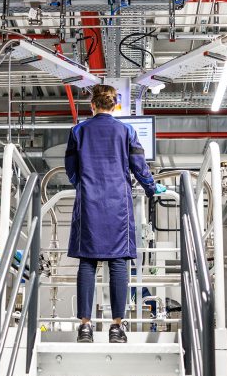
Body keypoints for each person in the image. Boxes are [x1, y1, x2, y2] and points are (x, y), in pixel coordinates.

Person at [64, 84, 166, 343]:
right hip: (118, 205)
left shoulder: (78, 131)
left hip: (88, 203)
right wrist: (152, 188)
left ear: (93, 105)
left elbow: (71, 169)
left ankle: (85, 327)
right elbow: (139, 166)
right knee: (118, 262)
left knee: (87, 262)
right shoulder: (127, 131)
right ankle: (116, 328)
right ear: (115, 105)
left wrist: (85, 186)